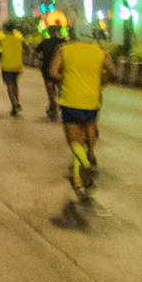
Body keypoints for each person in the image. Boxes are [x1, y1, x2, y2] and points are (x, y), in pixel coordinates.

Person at [48, 30, 118, 196]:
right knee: (84, 139)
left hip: (71, 101)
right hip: (92, 103)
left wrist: (65, 80)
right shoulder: (101, 54)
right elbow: (115, 74)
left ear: (73, 37)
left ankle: (85, 165)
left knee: (74, 141)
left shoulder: (64, 50)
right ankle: (78, 178)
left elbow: (52, 73)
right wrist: (101, 83)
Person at [0, 21, 27, 116]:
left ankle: (14, 104)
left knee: (9, 85)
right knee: (15, 84)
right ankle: (17, 102)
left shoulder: (2, 41)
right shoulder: (19, 40)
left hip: (6, 66)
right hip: (17, 66)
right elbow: (27, 50)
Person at [35, 25, 67, 120]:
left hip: (47, 68)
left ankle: (53, 109)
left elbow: (36, 51)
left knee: (51, 92)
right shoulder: (63, 42)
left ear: (49, 32)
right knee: (61, 90)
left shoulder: (45, 42)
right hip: (60, 69)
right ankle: (59, 107)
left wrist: (40, 59)